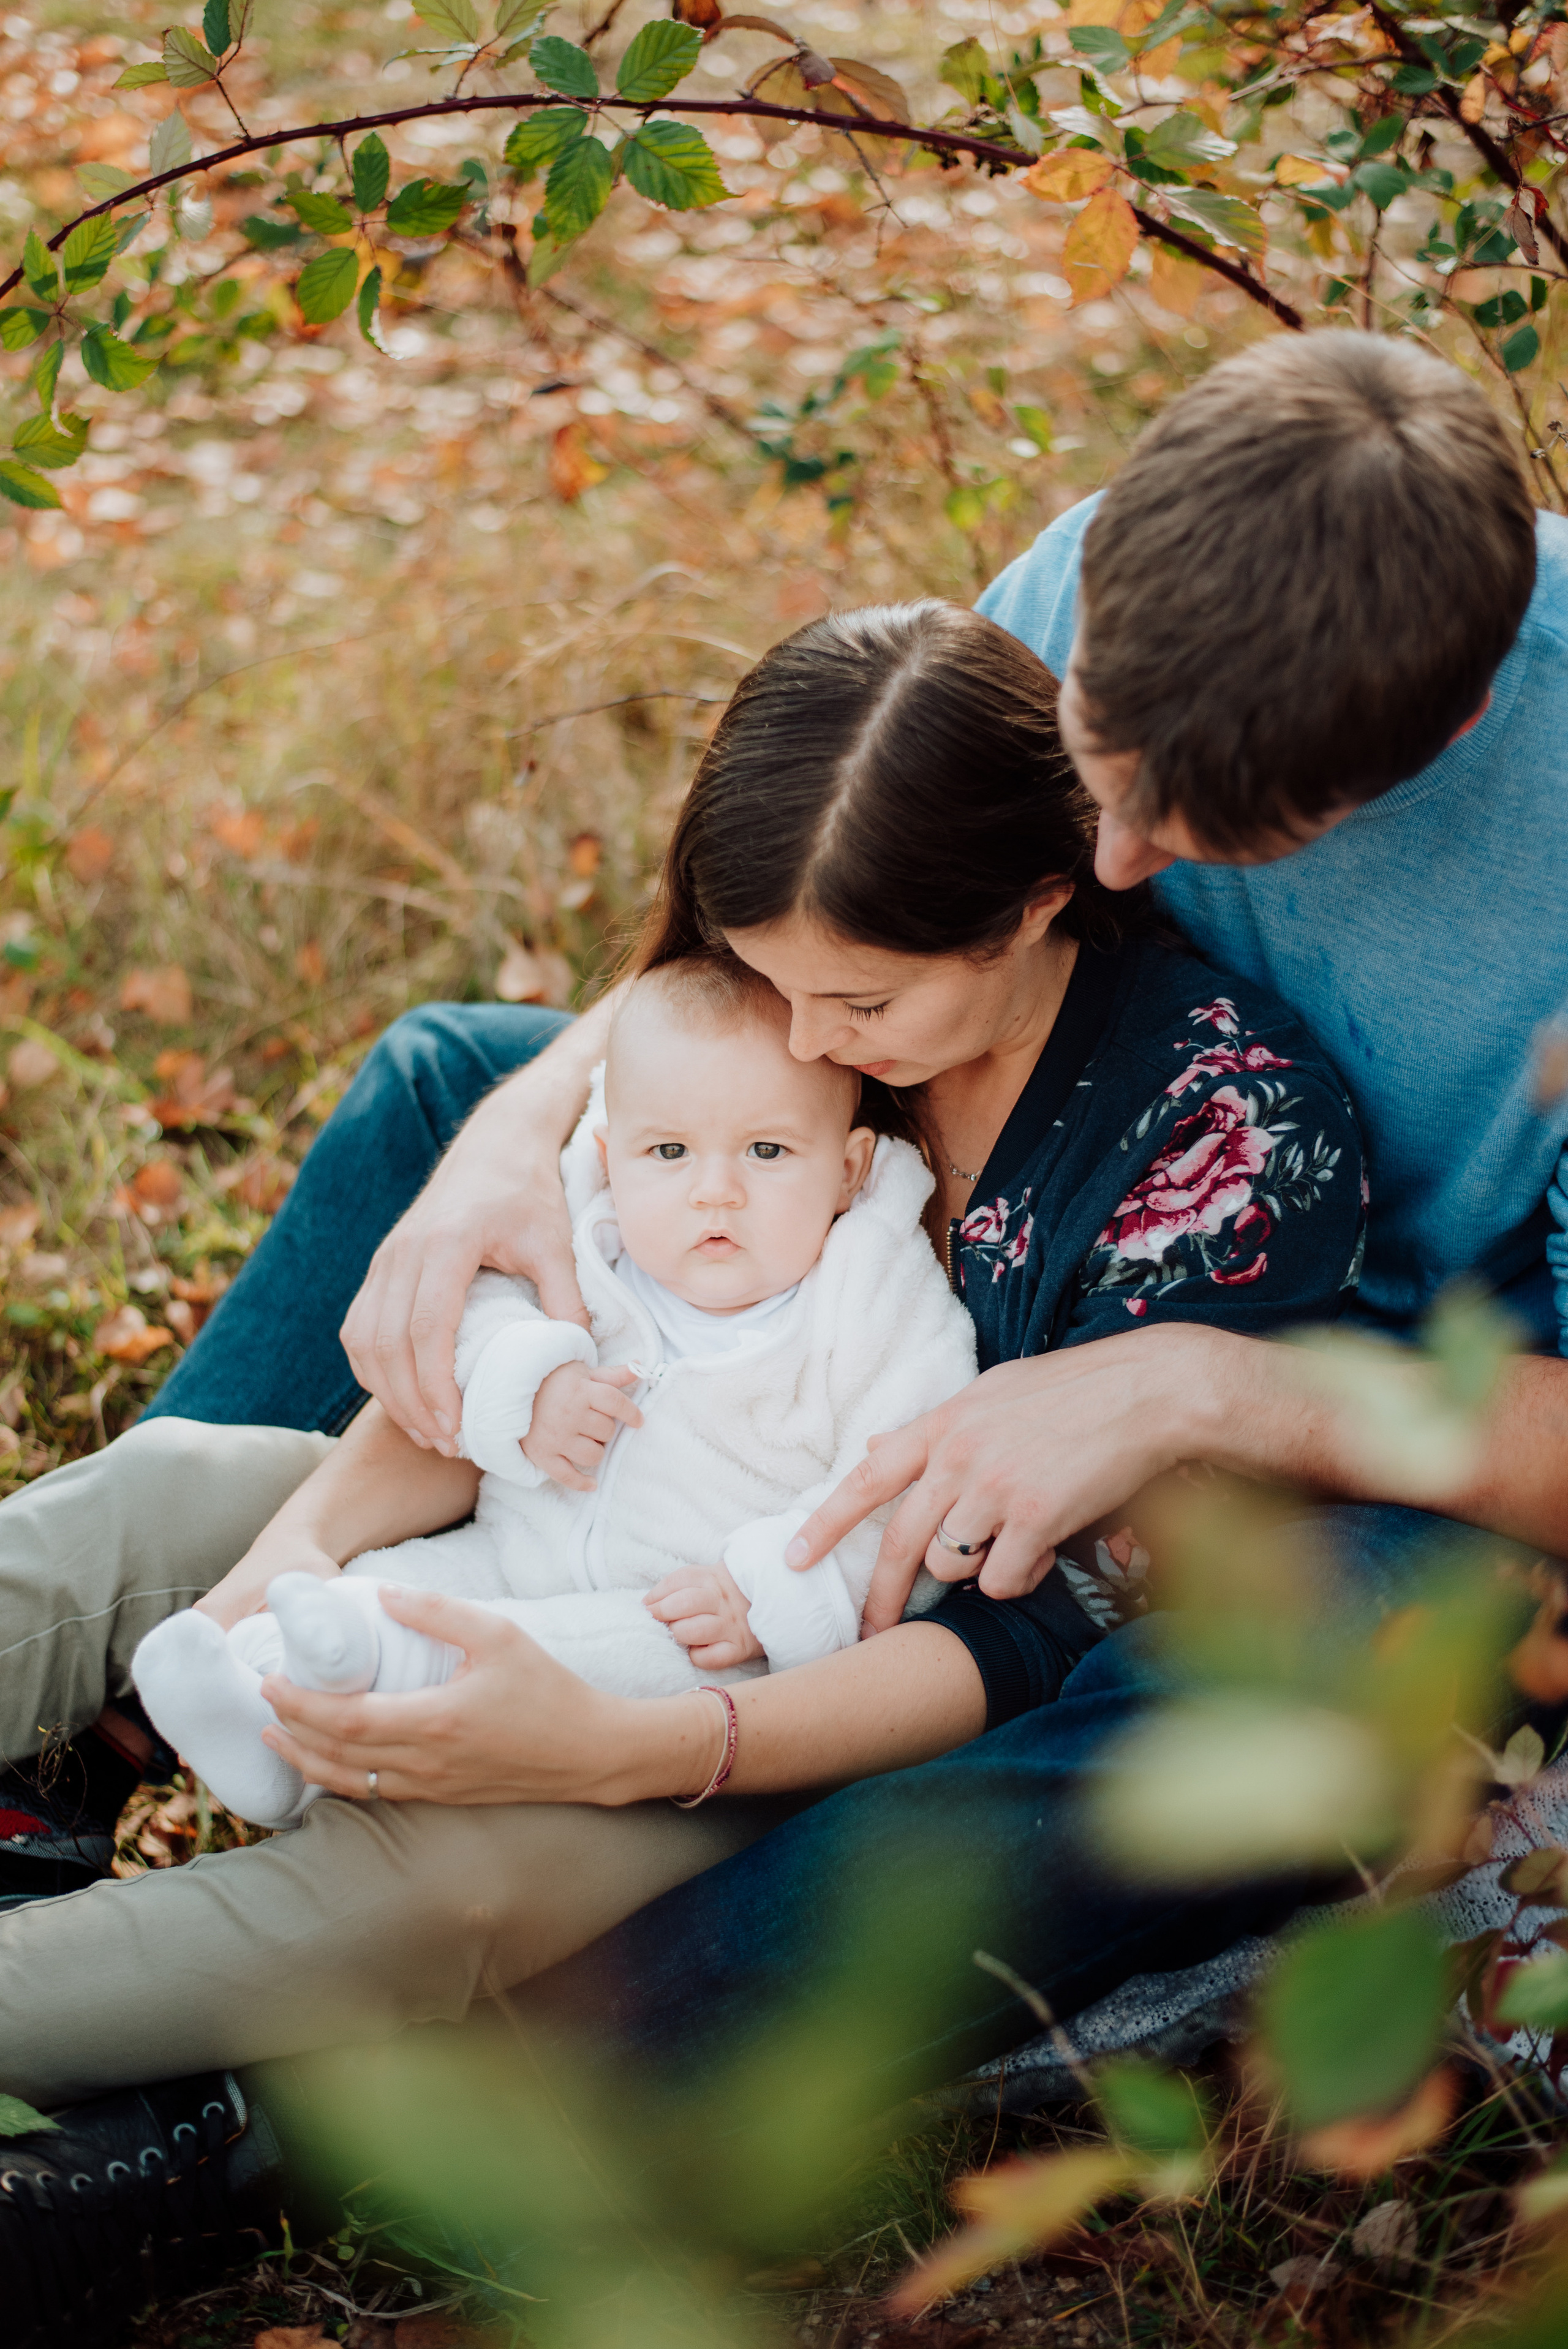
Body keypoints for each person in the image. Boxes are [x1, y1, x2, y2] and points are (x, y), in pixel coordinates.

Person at [2, 328, 1556, 2322]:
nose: (1120, 853)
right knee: (431, 1091)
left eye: (1225, 821)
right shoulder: (1159, 575)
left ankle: (400, 2079)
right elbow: (823, 911)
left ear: (1437, 736)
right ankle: (158, 1706)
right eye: (1095, 761)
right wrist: (517, 1141)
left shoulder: (1416, 913)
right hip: (924, 1166)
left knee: (1287, 1650)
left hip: (1372, 1394)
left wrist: (1196, 1382)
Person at [0, 601, 1363, 2122]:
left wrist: (619, 1746)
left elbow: (1027, 1643)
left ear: (1039, 900)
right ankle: (63, 1770)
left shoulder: (1220, 1150)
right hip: (534, 1530)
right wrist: (296, 1543)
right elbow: (548, 1326)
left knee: (445, 1892)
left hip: (767, 1694)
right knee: (174, 1491)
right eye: (766, 980)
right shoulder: (777, 998)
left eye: (857, 1003)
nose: (798, 1036)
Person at [130, 952, 981, 1830]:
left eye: (767, 1151)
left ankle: (342, 1680)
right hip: (514, 1551)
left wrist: (768, 1589)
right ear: (613, 1159)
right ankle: (266, 1690)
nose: (715, 1191)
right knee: (392, 1583)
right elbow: (473, 1321)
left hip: (689, 1628)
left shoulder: (871, 1296)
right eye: (670, 1152)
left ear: (847, 1170)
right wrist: (526, 1386)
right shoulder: (595, 1240)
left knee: (512, 1649)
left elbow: (902, 1483)